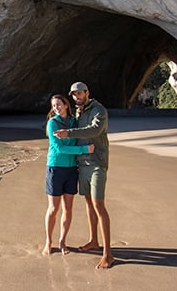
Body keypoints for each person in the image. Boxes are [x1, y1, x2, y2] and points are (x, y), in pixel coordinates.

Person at [54, 82, 114, 269]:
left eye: (79, 93)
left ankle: (108, 254)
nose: (76, 97)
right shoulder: (79, 112)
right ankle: (93, 240)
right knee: (88, 203)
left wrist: (68, 133)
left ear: (87, 92)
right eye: (73, 95)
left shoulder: (99, 110)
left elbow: (94, 130)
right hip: (82, 163)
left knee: (98, 204)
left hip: (97, 163)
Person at [43, 94, 94, 256]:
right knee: (53, 208)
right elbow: (59, 148)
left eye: (59, 104)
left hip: (72, 170)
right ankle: (48, 241)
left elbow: (85, 131)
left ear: (66, 105)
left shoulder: (73, 122)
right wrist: (84, 150)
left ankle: (62, 241)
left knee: (68, 209)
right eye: (54, 105)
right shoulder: (52, 124)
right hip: (55, 168)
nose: (56, 107)